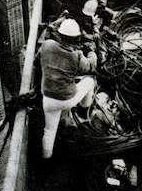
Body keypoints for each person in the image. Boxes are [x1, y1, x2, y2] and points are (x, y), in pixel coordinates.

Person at [38, 18, 97, 159]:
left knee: (49, 131)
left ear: (60, 35)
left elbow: (37, 61)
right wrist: (91, 51)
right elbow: (91, 67)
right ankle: (84, 114)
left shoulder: (47, 45)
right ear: (76, 38)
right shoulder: (77, 56)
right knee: (89, 82)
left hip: (48, 99)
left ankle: (46, 159)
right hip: (66, 99)